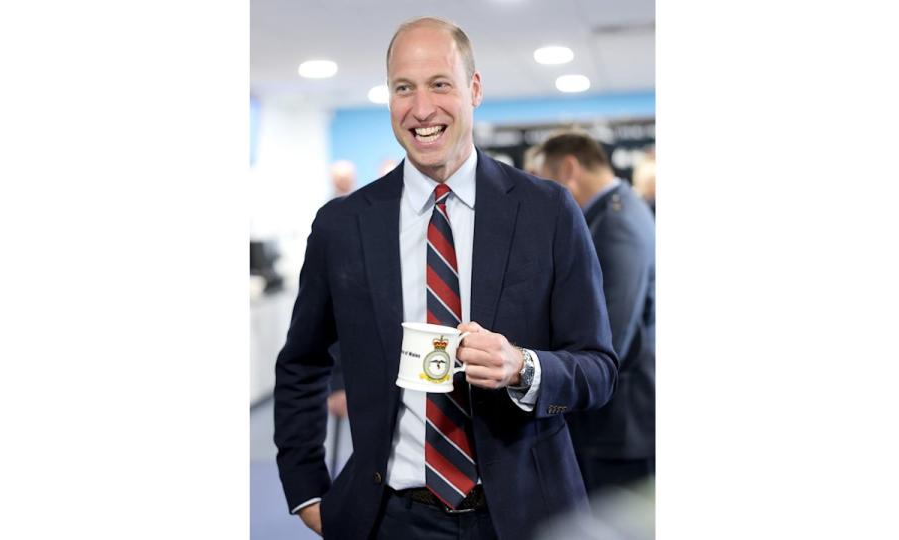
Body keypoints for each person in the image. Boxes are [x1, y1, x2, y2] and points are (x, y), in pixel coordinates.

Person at [274, 17, 618, 540]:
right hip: (389, 518)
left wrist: (523, 367)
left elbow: (598, 368)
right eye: (403, 88)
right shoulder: (343, 225)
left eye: (440, 84)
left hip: (526, 513)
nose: (422, 108)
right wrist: (306, 490)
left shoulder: (547, 211)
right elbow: (301, 363)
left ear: (474, 89)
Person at [538, 132, 655, 494]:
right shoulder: (613, 213)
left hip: (619, 426)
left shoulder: (617, 224)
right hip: (612, 421)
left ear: (570, 168)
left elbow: (610, 336)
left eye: (547, 181)